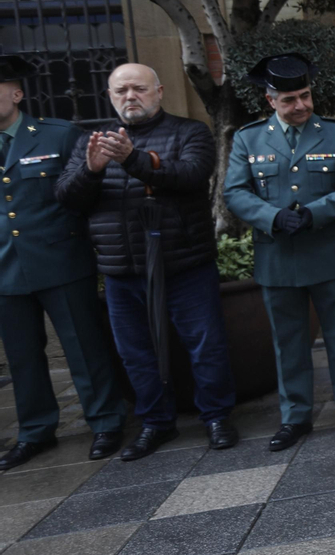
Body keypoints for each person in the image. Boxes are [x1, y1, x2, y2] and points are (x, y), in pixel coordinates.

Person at [57, 63, 238, 460]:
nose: (129, 97)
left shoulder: (190, 131)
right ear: (109, 97)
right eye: (120, 91)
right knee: (135, 352)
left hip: (184, 263)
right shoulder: (93, 142)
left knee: (205, 345)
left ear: (159, 91)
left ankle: (217, 416)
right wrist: (91, 170)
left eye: (138, 88)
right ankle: (156, 423)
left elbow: (191, 175)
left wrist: (134, 158)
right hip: (123, 271)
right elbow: (68, 198)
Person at [224, 54, 335, 450]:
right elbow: (234, 192)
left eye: (305, 96)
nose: (301, 105)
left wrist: (313, 214)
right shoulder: (248, 139)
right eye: (289, 100)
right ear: (271, 101)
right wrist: (273, 218)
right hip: (278, 255)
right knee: (287, 341)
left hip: (328, 251)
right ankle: (295, 417)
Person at [0, 56, 126, 469]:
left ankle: (106, 421)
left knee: (84, 346)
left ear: (16, 94)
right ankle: (36, 431)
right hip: (5, 269)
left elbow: (84, 192)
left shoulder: (57, 135)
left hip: (61, 259)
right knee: (22, 356)